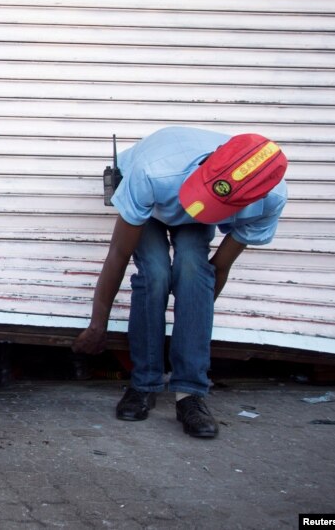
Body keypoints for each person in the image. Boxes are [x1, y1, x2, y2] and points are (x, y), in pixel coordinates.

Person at [72, 127, 288, 438]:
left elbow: (219, 268)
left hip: (198, 203)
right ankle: (144, 384)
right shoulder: (151, 173)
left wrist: (193, 318)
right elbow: (119, 254)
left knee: (193, 272)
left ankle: (191, 394)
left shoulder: (270, 197)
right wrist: (97, 326)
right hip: (160, 194)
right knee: (156, 273)